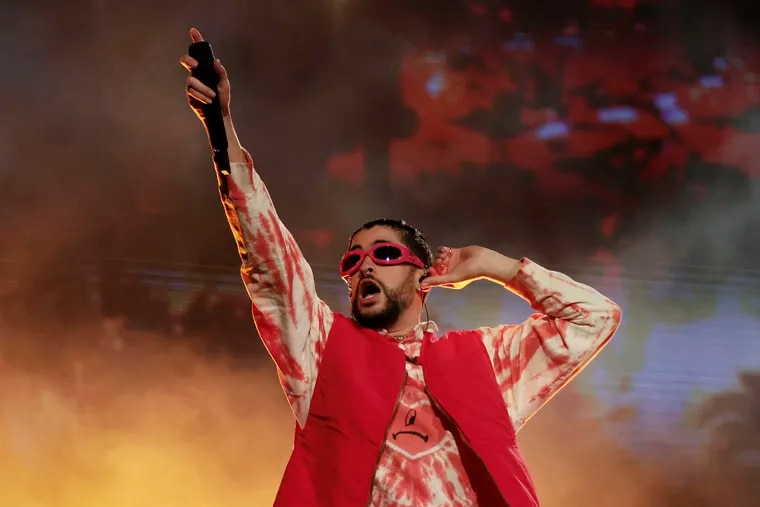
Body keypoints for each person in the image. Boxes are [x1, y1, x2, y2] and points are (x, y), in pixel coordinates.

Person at [181, 27, 622, 507]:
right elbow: (270, 259)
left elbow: (594, 318)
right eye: (353, 260)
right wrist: (222, 128)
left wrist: (496, 265)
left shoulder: (488, 362)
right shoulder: (322, 350)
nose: (365, 266)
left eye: (386, 254)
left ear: (424, 275)